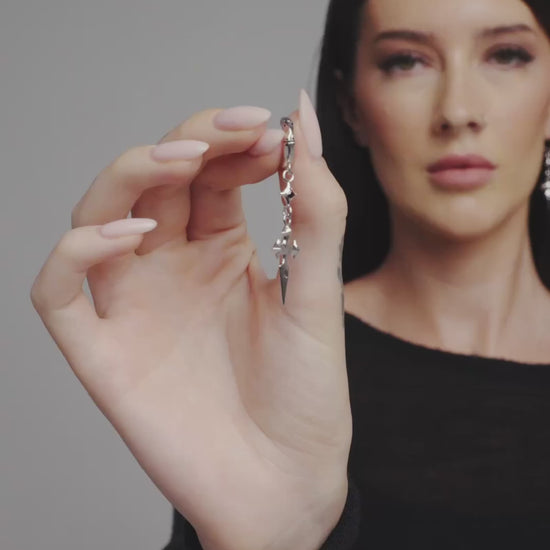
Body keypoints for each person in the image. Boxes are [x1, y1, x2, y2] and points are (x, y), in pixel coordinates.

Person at [30, 0, 550, 548]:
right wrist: (274, 539)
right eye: (406, 61)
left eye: (507, 54)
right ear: (351, 106)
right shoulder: (270, 365)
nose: (458, 111)